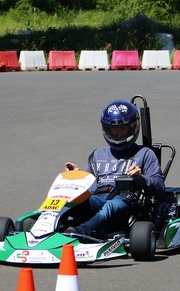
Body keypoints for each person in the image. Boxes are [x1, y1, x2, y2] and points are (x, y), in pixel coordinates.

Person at [64, 99, 165, 236]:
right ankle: (41, 226)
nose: (118, 133)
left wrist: (142, 178)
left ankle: (80, 232)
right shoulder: (97, 154)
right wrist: (77, 176)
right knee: (71, 199)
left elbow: (160, 188)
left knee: (110, 206)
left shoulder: (145, 154)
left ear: (132, 127)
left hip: (127, 201)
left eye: (122, 128)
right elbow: (87, 186)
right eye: (113, 128)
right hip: (98, 198)